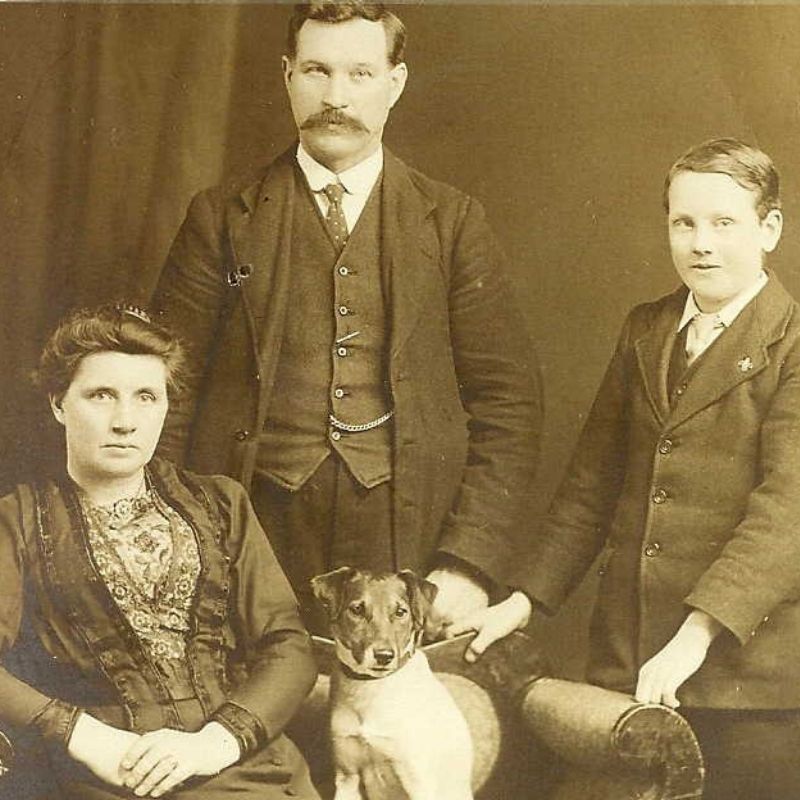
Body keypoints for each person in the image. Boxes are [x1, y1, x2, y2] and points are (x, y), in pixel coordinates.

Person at [151, 1, 542, 636]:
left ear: (396, 82)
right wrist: (174, 537)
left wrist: (467, 562)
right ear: (286, 76)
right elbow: (163, 388)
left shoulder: (452, 222)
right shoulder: (221, 217)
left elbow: (509, 405)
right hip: (251, 530)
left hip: (401, 535)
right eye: (316, 70)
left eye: (359, 74)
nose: (335, 96)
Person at [457, 138, 800, 798]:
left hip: (749, 684)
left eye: (723, 223)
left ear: (770, 228)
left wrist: (694, 637)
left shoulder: (791, 347)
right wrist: (522, 604)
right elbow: (591, 487)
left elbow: (786, 516)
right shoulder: (645, 330)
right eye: (684, 222)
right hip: (632, 662)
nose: (701, 243)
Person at [0, 304, 320, 800]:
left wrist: (213, 743)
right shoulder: (17, 519)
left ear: (166, 407)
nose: (125, 421)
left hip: (237, 765)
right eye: (101, 395)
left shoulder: (221, 502)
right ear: (59, 404)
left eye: (146, 396)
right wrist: (84, 737)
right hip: (100, 774)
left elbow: (288, 645)